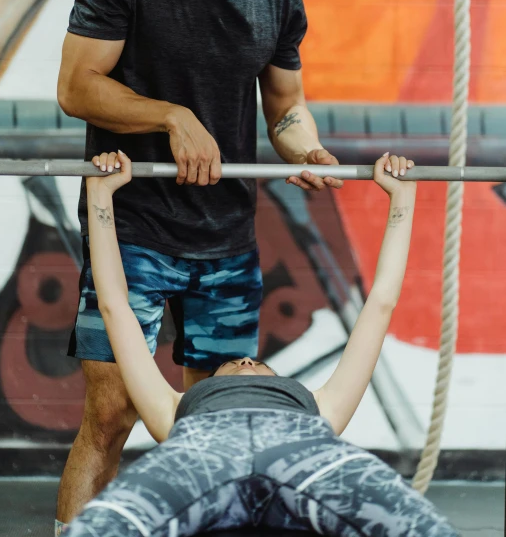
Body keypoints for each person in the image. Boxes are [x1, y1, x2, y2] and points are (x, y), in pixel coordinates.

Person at [56, 0, 344, 531]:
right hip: (132, 231)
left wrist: (306, 150)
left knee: (218, 426)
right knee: (113, 412)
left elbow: (286, 106)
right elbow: (77, 85)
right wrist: (170, 115)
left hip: (226, 241)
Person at [63, 149, 458, 537]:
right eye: (241, 364)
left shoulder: (177, 413)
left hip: (297, 453)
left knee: (419, 526)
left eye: (247, 364)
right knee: (106, 526)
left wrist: (403, 197)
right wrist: (100, 195)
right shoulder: (314, 409)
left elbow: (380, 303)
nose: (247, 361)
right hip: (205, 456)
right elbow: (114, 305)